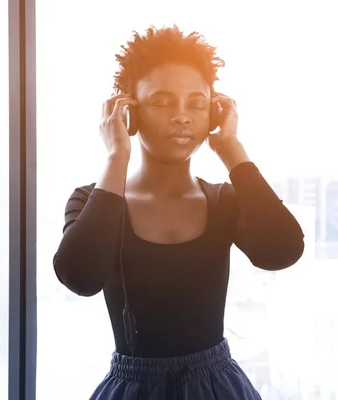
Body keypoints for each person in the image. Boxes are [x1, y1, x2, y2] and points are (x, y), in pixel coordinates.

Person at [53, 25, 305, 400]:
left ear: (213, 112)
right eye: (162, 102)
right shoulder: (92, 200)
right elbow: (80, 277)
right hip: (133, 388)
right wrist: (115, 157)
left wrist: (231, 148)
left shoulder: (225, 200)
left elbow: (283, 251)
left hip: (218, 388)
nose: (182, 117)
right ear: (128, 113)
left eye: (197, 103)